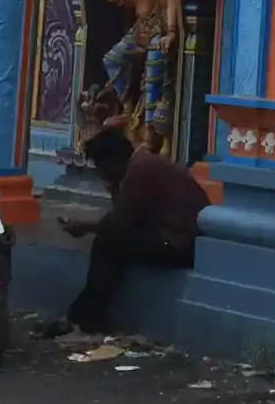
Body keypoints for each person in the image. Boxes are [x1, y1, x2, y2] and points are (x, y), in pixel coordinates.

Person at [59, 128, 208, 335]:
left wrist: (85, 226)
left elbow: (119, 222)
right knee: (113, 242)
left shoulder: (140, 169)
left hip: (179, 243)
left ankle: (88, 314)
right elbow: (125, 217)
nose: (100, 173)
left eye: (100, 166)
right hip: (178, 238)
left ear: (113, 160)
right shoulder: (141, 165)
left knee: (107, 243)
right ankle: (86, 312)